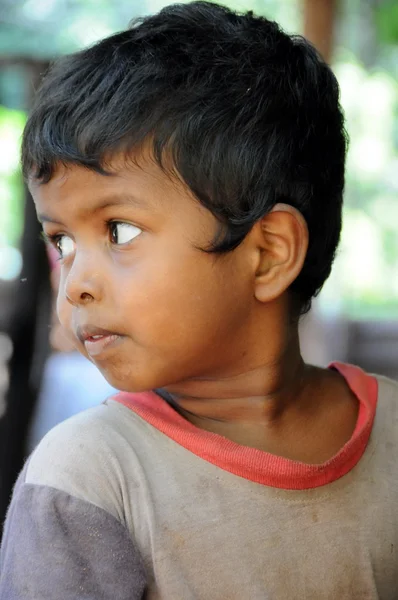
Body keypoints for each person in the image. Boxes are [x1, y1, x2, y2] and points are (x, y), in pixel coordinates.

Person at [1, 2, 397, 598]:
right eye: (61, 240)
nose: (74, 281)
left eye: (119, 231)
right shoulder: (87, 479)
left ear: (267, 253)